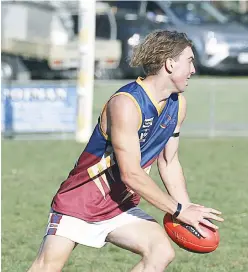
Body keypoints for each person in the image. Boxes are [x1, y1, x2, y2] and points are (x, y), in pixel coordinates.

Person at [28, 30, 224, 272]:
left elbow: (169, 161)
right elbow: (131, 174)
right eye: (190, 61)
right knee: (46, 267)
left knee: (160, 252)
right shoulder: (126, 104)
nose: (193, 70)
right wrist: (178, 210)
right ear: (170, 64)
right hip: (81, 202)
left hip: (120, 205)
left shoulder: (178, 104)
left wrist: (186, 211)